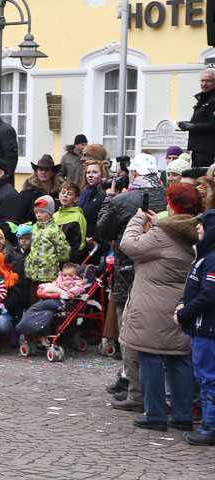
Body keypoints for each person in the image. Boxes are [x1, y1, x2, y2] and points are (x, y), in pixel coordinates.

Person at [119, 183, 201, 432]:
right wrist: (157, 225)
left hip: (153, 307)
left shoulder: (164, 234)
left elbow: (130, 246)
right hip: (181, 306)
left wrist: (137, 220)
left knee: (150, 358)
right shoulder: (195, 230)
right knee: (179, 360)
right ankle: (183, 415)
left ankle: (155, 413)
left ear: (172, 206)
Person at [97, 152, 167, 411]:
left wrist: (110, 198)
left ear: (134, 174)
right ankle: (140, 386)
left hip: (128, 271)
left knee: (130, 333)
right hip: (163, 273)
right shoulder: (167, 196)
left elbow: (102, 231)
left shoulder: (123, 199)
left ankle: (135, 390)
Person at [177, 209, 215, 445]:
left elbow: (209, 294)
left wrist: (184, 313)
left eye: (201, 225)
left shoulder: (211, 258)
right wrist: (181, 304)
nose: (197, 228)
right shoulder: (205, 254)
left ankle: (210, 427)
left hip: (207, 329)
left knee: (208, 378)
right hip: (201, 327)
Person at [24, 195, 71, 305]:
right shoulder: (35, 229)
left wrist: (53, 262)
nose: (39, 215)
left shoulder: (55, 230)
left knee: (47, 302)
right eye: (36, 212)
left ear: (50, 213)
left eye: (42, 212)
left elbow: (63, 252)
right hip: (34, 274)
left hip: (48, 275)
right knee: (34, 301)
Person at [177, 68, 215, 168]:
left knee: (203, 180)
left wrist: (191, 126)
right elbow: (200, 121)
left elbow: (212, 124)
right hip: (198, 148)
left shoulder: (213, 100)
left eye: (208, 81)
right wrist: (186, 124)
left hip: (208, 149)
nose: (204, 84)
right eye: (202, 80)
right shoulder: (203, 99)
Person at [18, 155, 63, 224]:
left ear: (53, 172)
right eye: (40, 169)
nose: (43, 172)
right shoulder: (27, 192)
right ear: (36, 172)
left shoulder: (61, 193)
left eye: (47, 170)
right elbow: (20, 215)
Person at [54, 181, 87, 262]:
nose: (65, 195)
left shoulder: (78, 217)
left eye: (69, 194)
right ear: (59, 195)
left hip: (69, 260)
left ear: (76, 199)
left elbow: (79, 245)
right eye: (63, 192)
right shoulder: (55, 215)